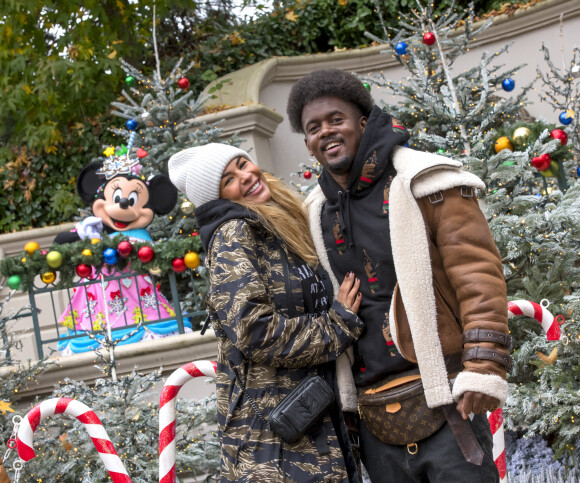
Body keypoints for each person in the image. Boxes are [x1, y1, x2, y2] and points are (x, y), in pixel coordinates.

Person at [286, 69, 511, 482]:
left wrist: (483, 364)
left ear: (364, 121)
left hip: (447, 401)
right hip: (374, 419)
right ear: (307, 144)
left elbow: (477, 273)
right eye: (313, 128)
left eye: (336, 119)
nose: (326, 132)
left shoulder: (427, 181)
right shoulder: (315, 212)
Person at [168, 143, 365, 482]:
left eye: (243, 164)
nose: (246, 176)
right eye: (229, 179)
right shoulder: (233, 233)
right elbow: (254, 331)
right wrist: (338, 324)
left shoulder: (277, 222)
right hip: (271, 436)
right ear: (219, 199)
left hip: (310, 416)